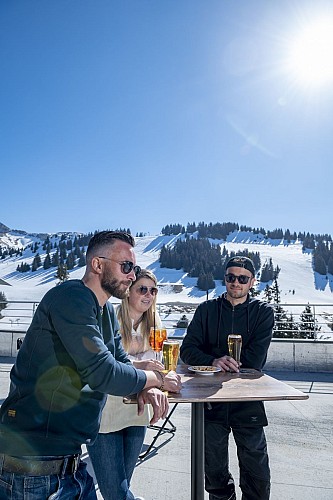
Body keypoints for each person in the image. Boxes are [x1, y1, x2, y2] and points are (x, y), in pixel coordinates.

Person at [0, 231, 181, 500]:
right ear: (97, 264)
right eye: (127, 267)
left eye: (135, 268)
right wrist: (157, 380)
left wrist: (144, 385)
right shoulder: (71, 298)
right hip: (33, 469)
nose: (132, 276)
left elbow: (119, 361)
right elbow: (103, 372)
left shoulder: (105, 310)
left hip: (69, 465)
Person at [180, 256, 274, 500]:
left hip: (248, 400)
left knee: (257, 471)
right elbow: (187, 350)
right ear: (225, 279)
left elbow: (255, 360)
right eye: (231, 277)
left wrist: (215, 359)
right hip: (211, 401)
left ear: (252, 282)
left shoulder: (262, 313)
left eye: (242, 278)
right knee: (214, 473)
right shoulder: (206, 309)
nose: (235, 283)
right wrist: (213, 361)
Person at [88, 268, 163, 500]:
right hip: (106, 413)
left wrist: (149, 383)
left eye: (153, 290)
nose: (148, 295)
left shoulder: (154, 323)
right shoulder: (110, 318)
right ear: (128, 291)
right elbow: (108, 363)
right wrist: (142, 370)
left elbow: (157, 363)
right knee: (116, 493)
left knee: (122, 484)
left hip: (136, 412)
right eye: (142, 289)